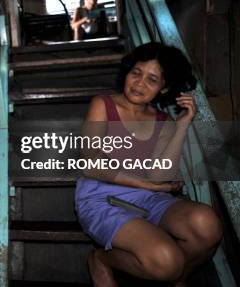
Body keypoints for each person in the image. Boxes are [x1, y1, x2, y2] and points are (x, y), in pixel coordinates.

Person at [75, 43, 223, 286]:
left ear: (164, 88)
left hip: (148, 197)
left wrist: (183, 125)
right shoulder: (103, 105)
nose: (139, 83)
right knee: (166, 259)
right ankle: (102, 259)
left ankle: (177, 277)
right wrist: (144, 183)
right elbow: (91, 163)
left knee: (206, 225)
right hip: (101, 197)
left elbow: (159, 173)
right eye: (136, 73)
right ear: (127, 72)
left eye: (152, 79)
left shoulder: (162, 121)